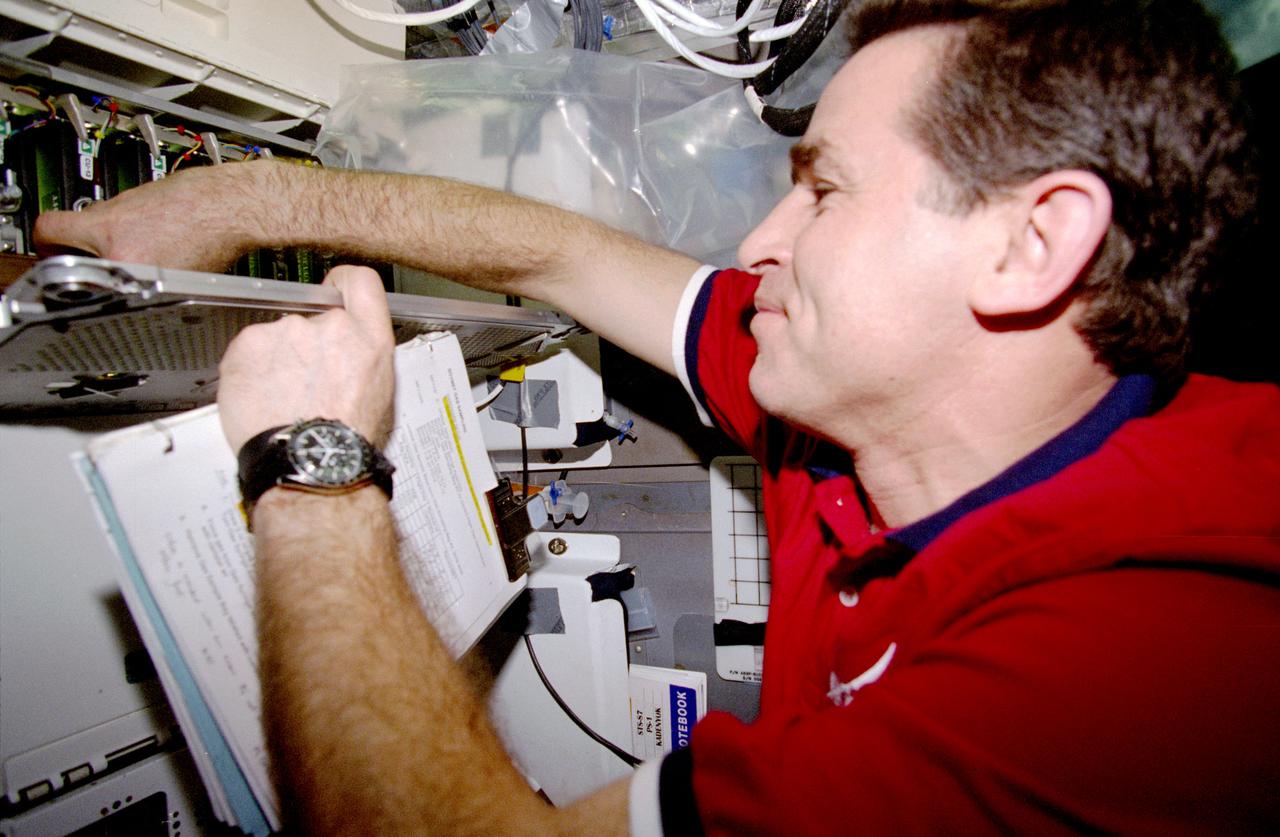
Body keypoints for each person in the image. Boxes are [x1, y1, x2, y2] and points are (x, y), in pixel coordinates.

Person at [36, 0, 1280, 833]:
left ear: (1029, 246)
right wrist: (248, 197)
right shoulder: (878, 403)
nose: (757, 242)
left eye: (823, 192)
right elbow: (564, 255)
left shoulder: (1143, 672)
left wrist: (312, 467)